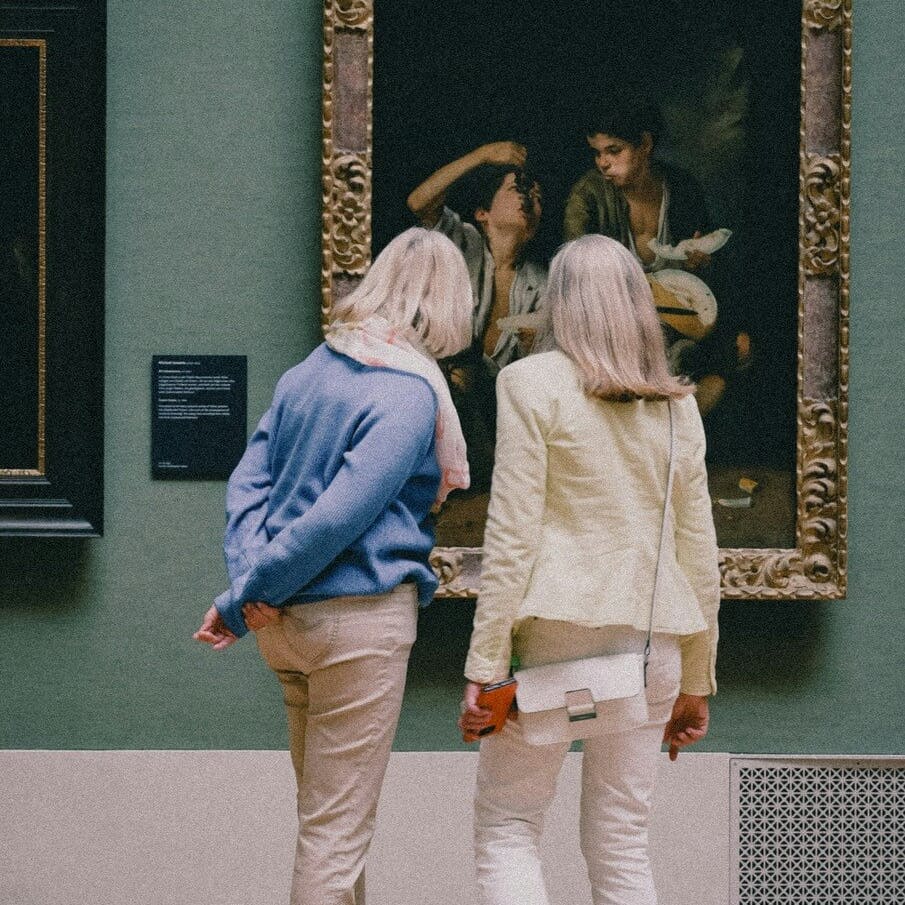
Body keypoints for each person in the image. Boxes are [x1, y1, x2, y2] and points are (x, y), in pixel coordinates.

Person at [194, 227, 473, 905]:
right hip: (357, 624)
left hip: (282, 624)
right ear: (448, 299)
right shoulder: (409, 393)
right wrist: (241, 600)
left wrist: (249, 588)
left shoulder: (311, 368)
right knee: (334, 835)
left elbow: (248, 485)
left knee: (326, 826)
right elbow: (337, 519)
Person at [459, 235, 720, 905]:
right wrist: (697, 677)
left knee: (509, 827)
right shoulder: (676, 403)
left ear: (557, 304)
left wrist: (484, 666)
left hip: (554, 634)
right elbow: (698, 550)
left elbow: (511, 531)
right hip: (652, 645)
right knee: (621, 841)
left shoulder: (528, 381)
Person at [563, 103, 744, 415]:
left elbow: (709, 279)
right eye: (597, 153)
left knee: (732, 353)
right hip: (614, 327)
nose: (603, 163)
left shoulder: (682, 188)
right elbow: (574, 272)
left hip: (678, 322)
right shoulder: (587, 195)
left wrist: (700, 263)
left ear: (645, 144)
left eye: (614, 151)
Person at [407, 142, 547, 489]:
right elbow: (419, 202)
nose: (529, 200)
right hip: (432, 405)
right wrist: (483, 156)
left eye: (537, 196)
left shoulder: (542, 283)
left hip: (498, 421)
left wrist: (535, 350)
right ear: (483, 213)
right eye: (517, 190)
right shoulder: (461, 243)